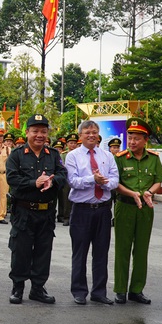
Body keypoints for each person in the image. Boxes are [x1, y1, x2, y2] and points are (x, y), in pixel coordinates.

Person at [5, 114, 67, 304]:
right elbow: (12, 179)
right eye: (35, 131)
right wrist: (34, 182)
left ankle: (38, 289)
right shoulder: (16, 155)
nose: (39, 135)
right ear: (27, 132)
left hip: (46, 212)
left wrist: (52, 180)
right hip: (24, 211)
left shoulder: (54, 155)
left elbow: (63, 174)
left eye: (43, 131)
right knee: (21, 251)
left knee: (43, 251)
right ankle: (18, 288)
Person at [112, 119, 162, 305]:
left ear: (145, 140)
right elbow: (115, 183)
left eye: (136, 138)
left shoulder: (154, 158)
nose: (132, 141)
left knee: (141, 250)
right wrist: (131, 193)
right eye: (130, 137)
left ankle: (136, 290)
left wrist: (150, 192)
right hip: (125, 206)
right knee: (122, 249)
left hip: (145, 207)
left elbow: (160, 179)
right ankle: (120, 289)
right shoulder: (119, 158)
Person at [66, 120, 119, 305]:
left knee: (101, 252)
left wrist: (105, 182)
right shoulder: (72, 156)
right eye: (87, 132)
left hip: (103, 210)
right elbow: (73, 182)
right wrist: (93, 179)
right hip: (82, 210)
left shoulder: (107, 155)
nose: (91, 135)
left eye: (94, 132)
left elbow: (115, 180)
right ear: (80, 135)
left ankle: (99, 291)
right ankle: (79, 291)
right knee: (79, 253)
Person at [58, 133, 79, 225]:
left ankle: (76, 216)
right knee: (66, 198)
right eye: (71, 143)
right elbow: (62, 166)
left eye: (74, 143)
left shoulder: (80, 154)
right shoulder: (63, 155)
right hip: (67, 178)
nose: (73, 145)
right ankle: (66, 217)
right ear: (66, 144)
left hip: (78, 178)